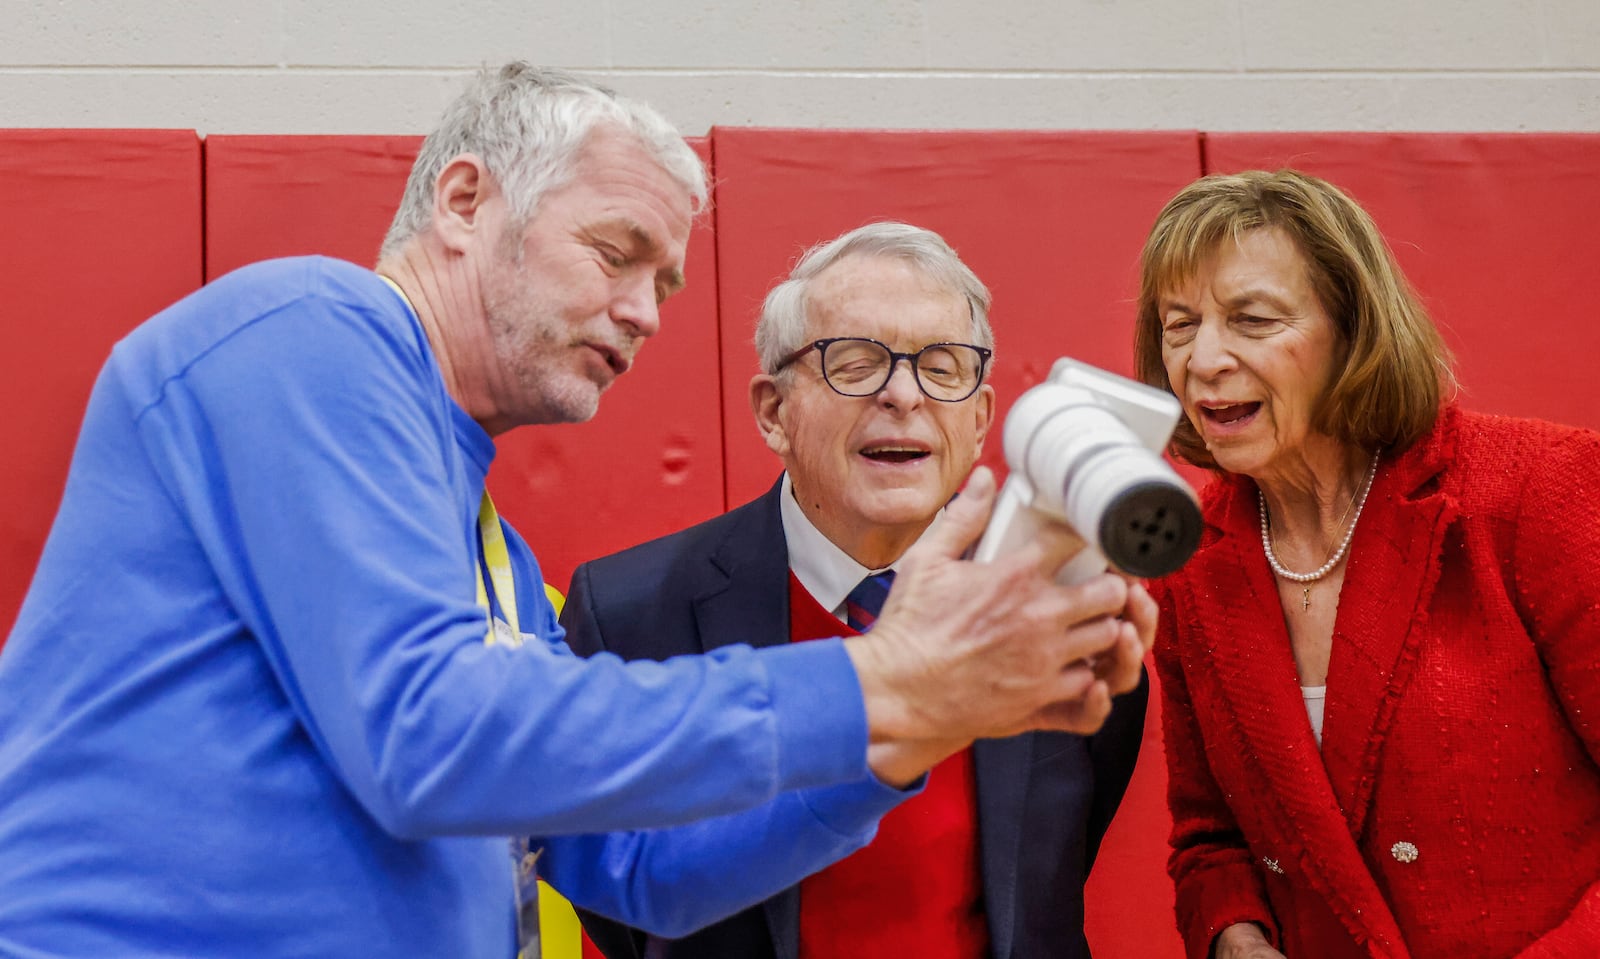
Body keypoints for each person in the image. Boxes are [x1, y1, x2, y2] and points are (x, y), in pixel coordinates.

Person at [0, 63, 1153, 958]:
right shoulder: (311, 328)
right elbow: (427, 734)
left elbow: (642, 865)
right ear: (464, 199)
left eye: (664, 282)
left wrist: (916, 728)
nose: (646, 310)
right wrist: (882, 678)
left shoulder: (494, 556)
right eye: (617, 252)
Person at [559, 221, 1151, 959]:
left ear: (979, 420)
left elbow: (1054, 875)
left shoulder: (1052, 615)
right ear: (774, 411)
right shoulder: (629, 616)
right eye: (857, 361)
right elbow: (618, 908)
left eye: (942, 366)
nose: (903, 394)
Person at [1133, 168, 1600, 959]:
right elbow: (1210, 841)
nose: (1204, 357)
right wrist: (1235, 939)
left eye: (1251, 318)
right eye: (1179, 324)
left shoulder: (1536, 488)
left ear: (1353, 331)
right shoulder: (1192, 560)